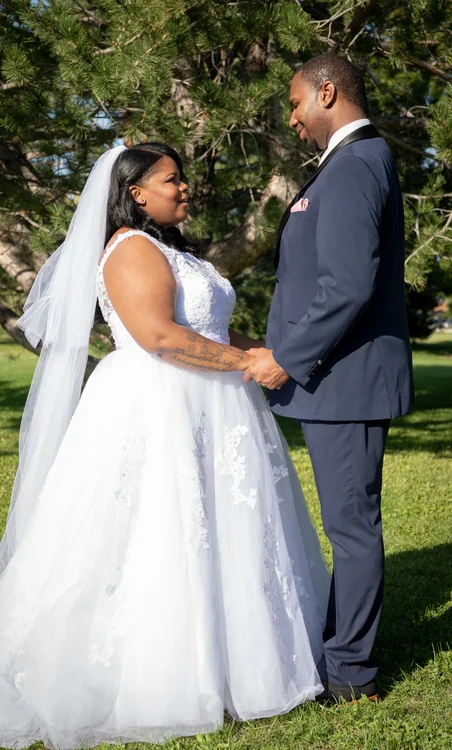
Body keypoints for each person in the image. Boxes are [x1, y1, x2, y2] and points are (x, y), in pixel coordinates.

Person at [0, 142, 330, 747]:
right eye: (172, 179)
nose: (185, 188)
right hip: (159, 404)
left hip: (214, 405)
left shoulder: (174, 250)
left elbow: (207, 326)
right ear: (136, 193)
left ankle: (244, 659)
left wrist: (265, 351)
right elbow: (159, 336)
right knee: (157, 528)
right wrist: (247, 365)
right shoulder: (130, 248)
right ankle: (160, 672)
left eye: (182, 179)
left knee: (222, 528)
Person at [245, 55, 414, 702]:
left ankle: (350, 673)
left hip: (345, 382)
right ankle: (343, 653)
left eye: (295, 103)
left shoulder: (354, 165)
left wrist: (285, 357)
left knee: (351, 528)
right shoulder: (351, 163)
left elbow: (346, 286)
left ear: (327, 92)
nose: (292, 118)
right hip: (340, 379)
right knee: (349, 525)